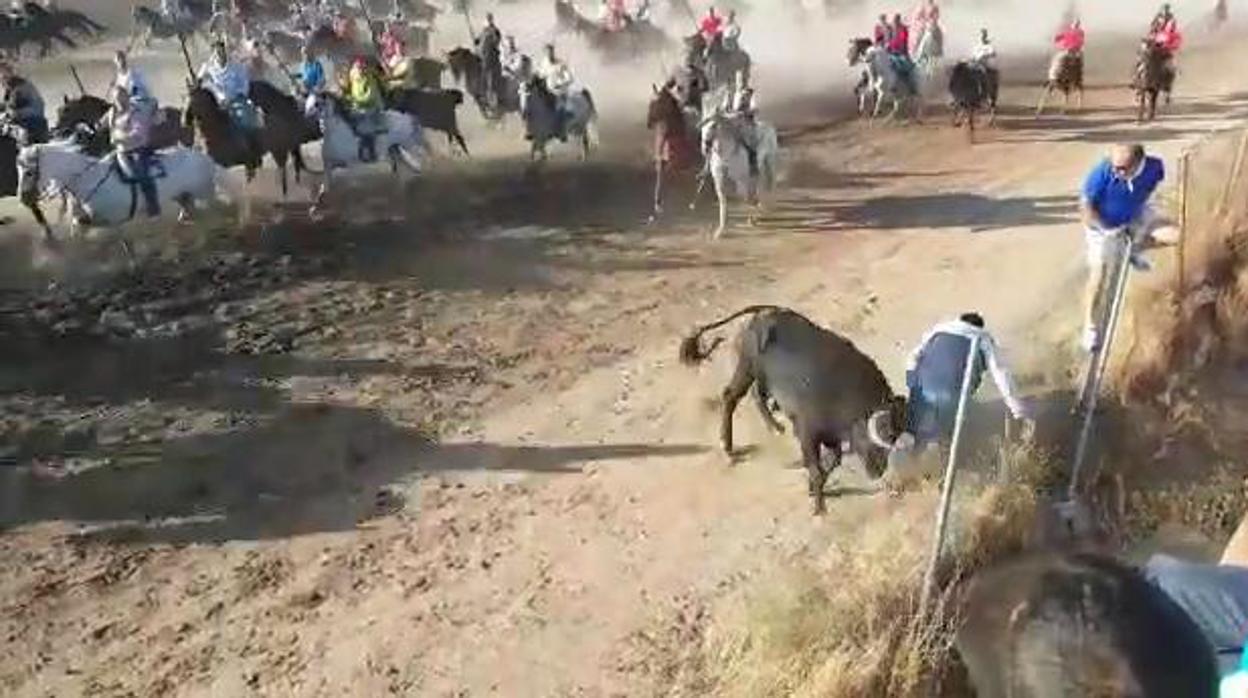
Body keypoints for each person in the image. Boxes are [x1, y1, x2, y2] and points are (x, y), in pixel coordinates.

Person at [1078, 144, 1171, 351]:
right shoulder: (1102, 172)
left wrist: (1144, 208)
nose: (1117, 172)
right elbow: (1085, 209)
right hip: (1101, 227)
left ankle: (1134, 248)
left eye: (1123, 168)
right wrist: (1105, 228)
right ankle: (1089, 326)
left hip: (1133, 217)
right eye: (1115, 167)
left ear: (1138, 164)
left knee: (1176, 235)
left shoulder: (1154, 168)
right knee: (1099, 273)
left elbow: (1155, 186)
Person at [899, 313, 1029, 451]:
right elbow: (1001, 375)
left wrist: (912, 384)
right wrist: (1018, 411)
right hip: (954, 399)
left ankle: (912, 448)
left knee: (918, 430)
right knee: (974, 428)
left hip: (922, 394)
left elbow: (912, 358)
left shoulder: (937, 333)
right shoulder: (982, 339)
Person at [101, 87, 160, 217]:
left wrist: (119, 138)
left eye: (122, 98)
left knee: (141, 175)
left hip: (138, 149)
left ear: (127, 97)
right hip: (120, 151)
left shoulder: (135, 112)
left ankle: (153, 208)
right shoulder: (113, 113)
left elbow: (138, 134)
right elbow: (102, 126)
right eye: (117, 99)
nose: (120, 101)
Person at [197, 40, 259, 137]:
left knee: (244, 115)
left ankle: (248, 138)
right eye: (217, 52)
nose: (220, 55)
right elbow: (199, 80)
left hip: (236, 99)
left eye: (222, 52)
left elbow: (244, 83)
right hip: (216, 102)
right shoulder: (208, 67)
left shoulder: (237, 66)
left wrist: (238, 94)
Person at [345, 55, 386, 161]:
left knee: (367, 129)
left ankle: (369, 152)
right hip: (358, 107)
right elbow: (349, 89)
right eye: (358, 68)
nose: (360, 70)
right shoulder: (354, 76)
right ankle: (364, 151)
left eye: (362, 68)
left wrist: (355, 100)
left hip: (370, 107)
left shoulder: (369, 78)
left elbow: (371, 96)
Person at [721, 69, 757, 176]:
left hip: (745, 121)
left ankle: (752, 164)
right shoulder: (729, 93)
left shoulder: (750, 93)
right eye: (738, 80)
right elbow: (724, 107)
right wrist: (724, 112)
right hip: (730, 121)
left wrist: (745, 112)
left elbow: (755, 108)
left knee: (746, 140)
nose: (740, 82)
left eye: (742, 80)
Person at [0, 62, 46, 143]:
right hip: (33, 119)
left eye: (3, 77)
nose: (2, 81)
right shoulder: (14, 86)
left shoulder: (19, 87)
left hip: (31, 121)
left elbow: (12, 107)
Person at [537, 43, 574, 140]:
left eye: (551, 52)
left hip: (559, 93)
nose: (549, 54)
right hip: (547, 94)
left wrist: (560, 83)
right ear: (544, 53)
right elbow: (539, 76)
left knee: (560, 111)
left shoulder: (561, 64)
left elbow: (570, 78)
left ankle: (562, 131)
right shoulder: (542, 64)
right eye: (547, 52)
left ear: (553, 52)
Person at [476, 12, 502, 108]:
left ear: (492, 19)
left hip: (491, 58)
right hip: (482, 57)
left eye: (489, 18)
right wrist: (477, 40)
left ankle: (494, 101)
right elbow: (479, 40)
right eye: (487, 19)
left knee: (491, 81)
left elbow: (496, 42)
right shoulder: (484, 30)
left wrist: (492, 37)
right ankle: (482, 96)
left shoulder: (495, 30)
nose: (488, 20)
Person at [1050, 18, 1084, 84]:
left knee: (1056, 60)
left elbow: (1057, 38)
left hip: (1068, 50)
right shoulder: (1080, 32)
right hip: (1076, 51)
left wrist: (1056, 41)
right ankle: (1078, 78)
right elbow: (1081, 42)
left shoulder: (1068, 32)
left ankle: (1053, 76)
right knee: (1080, 64)